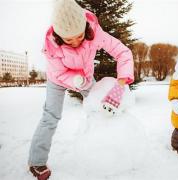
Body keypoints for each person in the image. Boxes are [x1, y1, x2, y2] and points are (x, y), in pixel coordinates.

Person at [28, 0, 134, 179]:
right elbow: (60, 74)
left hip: (85, 77)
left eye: (79, 36)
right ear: (59, 36)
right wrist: (76, 81)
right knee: (50, 117)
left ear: (85, 27)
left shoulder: (94, 32)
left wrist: (122, 80)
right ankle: (36, 161)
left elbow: (123, 52)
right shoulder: (51, 46)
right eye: (69, 39)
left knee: (100, 110)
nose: (76, 42)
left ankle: (104, 148)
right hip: (58, 80)